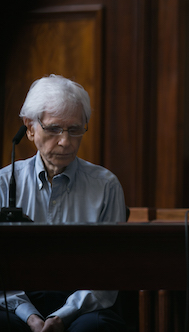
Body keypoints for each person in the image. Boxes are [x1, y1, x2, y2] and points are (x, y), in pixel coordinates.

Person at [0, 74, 127, 332]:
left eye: (75, 129)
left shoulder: (106, 186)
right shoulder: (3, 183)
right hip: (17, 301)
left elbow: (108, 274)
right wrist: (30, 317)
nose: (66, 141)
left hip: (83, 303)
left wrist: (62, 316)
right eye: (54, 129)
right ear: (30, 127)